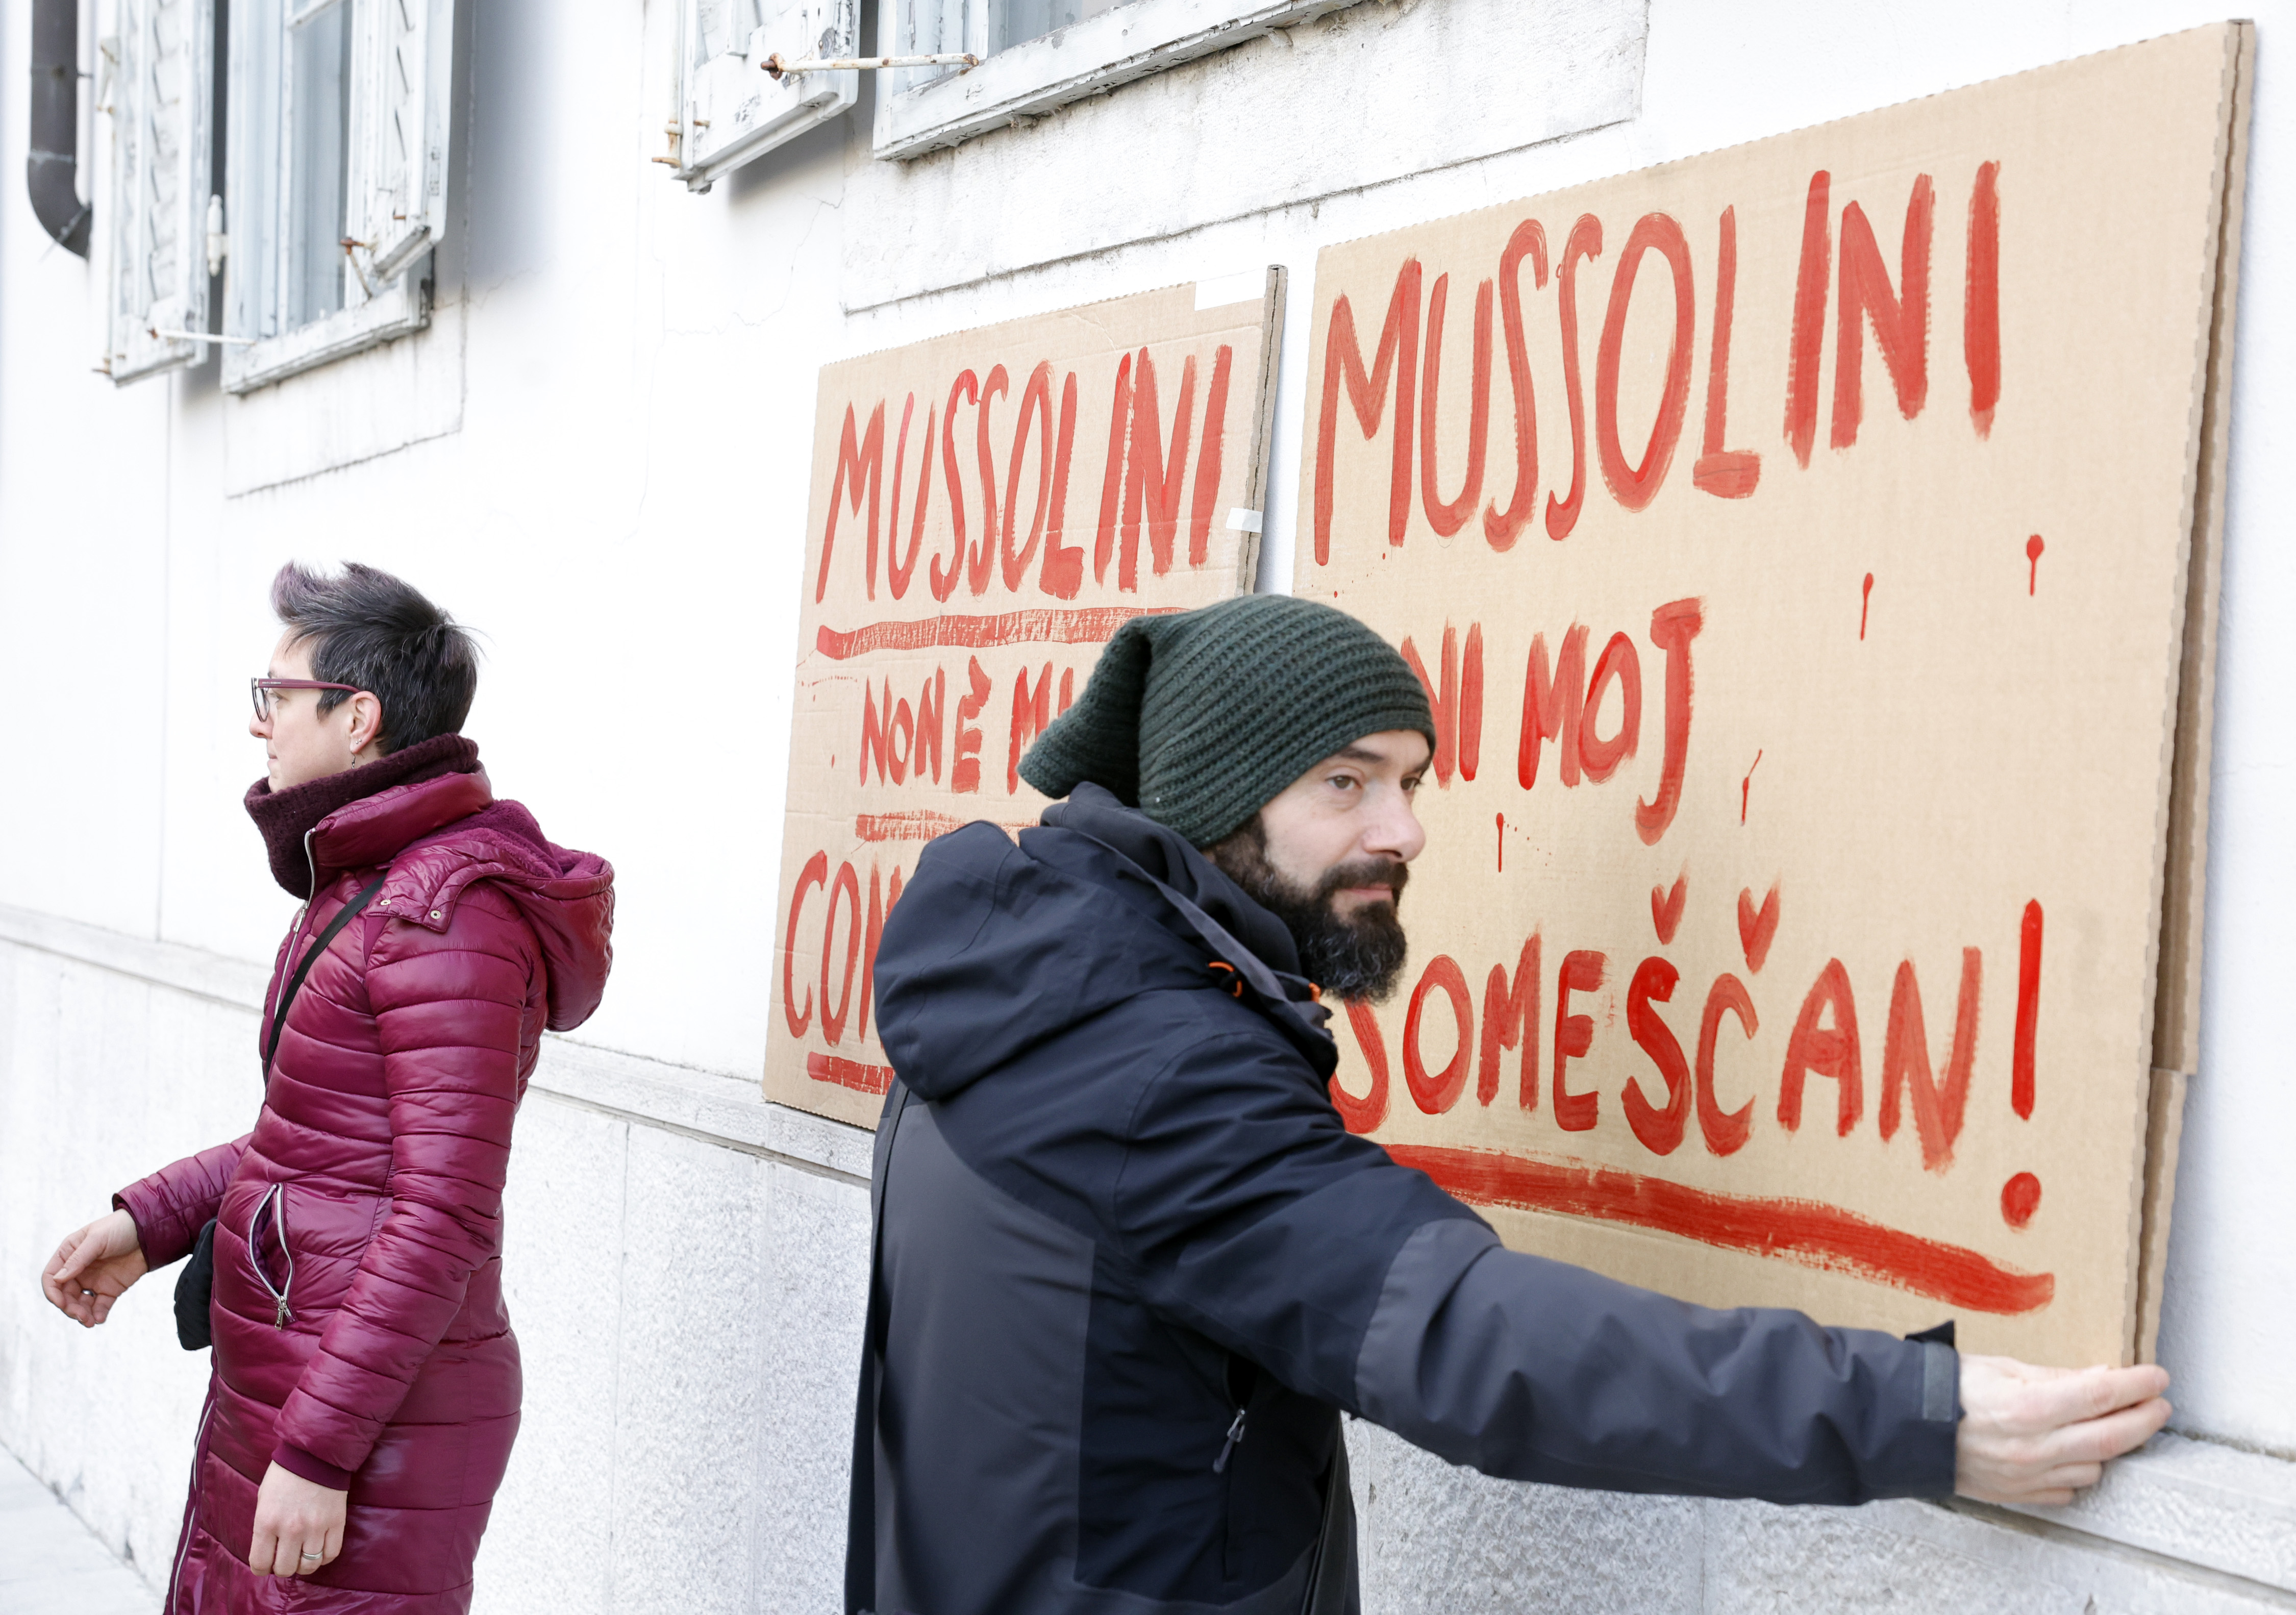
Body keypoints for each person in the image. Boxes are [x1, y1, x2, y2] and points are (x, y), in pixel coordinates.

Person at [846, 593, 2173, 1615]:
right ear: (1211, 800)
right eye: (1346, 781)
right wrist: (1916, 1412)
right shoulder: (1152, 1066)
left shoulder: (1020, 985)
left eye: (1410, 780)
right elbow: (1469, 1337)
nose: (1407, 829)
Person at [38, 562, 615, 1615]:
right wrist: (154, 1219)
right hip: (310, 1374)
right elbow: (319, 1142)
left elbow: (440, 1213)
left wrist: (318, 1447)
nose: (260, 724)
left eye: (277, 695)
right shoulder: (365, 886)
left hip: (376, 1421)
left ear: (360, 718)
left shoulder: (443, 921)